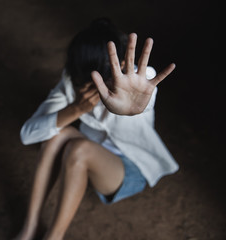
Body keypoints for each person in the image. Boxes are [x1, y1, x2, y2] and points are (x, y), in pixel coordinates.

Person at [14, 18, 179, 240]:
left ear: (120, 67)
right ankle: (29, 227)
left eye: (96, 80)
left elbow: (145, 99)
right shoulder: (72, 82)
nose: (86, 87)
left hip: (130, 168)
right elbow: (28, 135)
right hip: (90, 151)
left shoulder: (141, 82)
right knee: (56, 136)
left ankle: (54, 237)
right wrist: (75, 108)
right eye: (82, 79)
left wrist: (132, 108)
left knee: (78, 149)